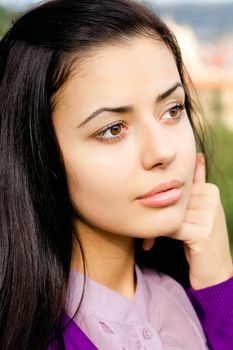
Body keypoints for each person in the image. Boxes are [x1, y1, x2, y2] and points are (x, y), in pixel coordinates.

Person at [0, 0, 233, 349]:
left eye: (172, 110)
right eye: (112, 129)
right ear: (38, 153)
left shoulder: (197, 296)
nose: (162, 152)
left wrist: (219, 285)